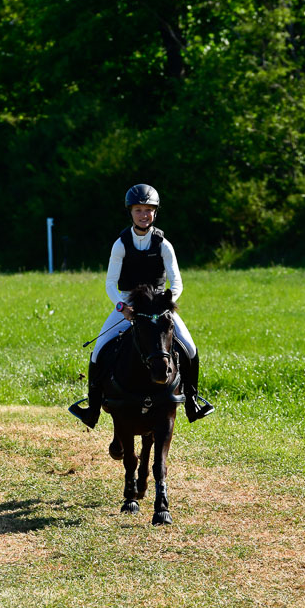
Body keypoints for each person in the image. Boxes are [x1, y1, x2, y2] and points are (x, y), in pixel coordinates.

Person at [69, 183, 214, 428]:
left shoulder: (164, 245)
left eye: (149, 210)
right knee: (98, 351)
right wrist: (121, 307)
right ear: (131, 212)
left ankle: (192, 401)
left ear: (155, 213)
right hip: (128, 303)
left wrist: (168, 302)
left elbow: (176, 281)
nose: (144, 215)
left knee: (189, 347)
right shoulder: (120, 244)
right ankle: (92, 408)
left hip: (158, 305)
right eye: (139, 210)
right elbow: (110, 283)